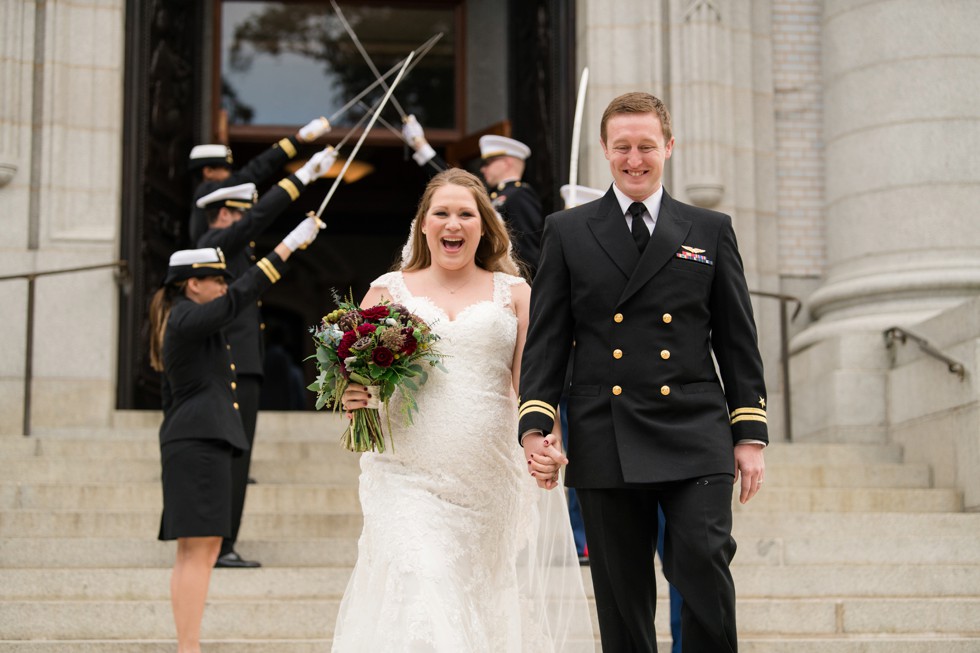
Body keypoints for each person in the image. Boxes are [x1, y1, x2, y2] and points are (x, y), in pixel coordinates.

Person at [518, 92, 768, 652]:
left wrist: (748, 433)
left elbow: (736, 338)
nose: (635, 159)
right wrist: (537, 423)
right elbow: (549, 339)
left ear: (669, 148)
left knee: (704, 565)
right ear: (604, 150)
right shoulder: (568, 230)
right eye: (623, 147)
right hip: (605, 431)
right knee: (621, 595)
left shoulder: (709, 228)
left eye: (647, 146)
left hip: (695, 428)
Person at [333, 168, 593, 652]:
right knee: (422, 580)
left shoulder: (513, 294)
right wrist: (353, 398)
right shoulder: (388, 291)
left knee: (474, 603)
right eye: (442, 213)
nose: (453, 224)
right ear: (424, 225)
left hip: (487, 481)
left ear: (484, 225)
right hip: (404, 474)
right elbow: (356, 381)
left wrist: (544, 442)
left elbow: (531, 386)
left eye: (465, 214)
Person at [148, 217, 321, 653]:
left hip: (197, 441)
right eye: (215, 279)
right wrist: (285, 249)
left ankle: (190, 643)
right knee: (196, 553)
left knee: (202, 552)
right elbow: (238, 299)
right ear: (191, 285)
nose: (225, 286)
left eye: (226, 279)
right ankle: (189, 646)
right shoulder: (188, 318)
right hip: (199, 444)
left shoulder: (188, 319)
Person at [196, 147, 337, 568]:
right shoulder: (214, 244)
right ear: (223, 215)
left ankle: (223, 542)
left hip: (242, 366)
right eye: (238, 215)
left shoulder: (228, 250)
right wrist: (304, 176)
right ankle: (219, 544)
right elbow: (261, 217)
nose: (244, 222)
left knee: (239, 457)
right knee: (232, 458)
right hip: (232, 367)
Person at [187, 116, 332, 242]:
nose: (230, 174)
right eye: (225, 169)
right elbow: (255, 170)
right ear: (208, 171)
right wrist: (297, 140)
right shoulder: (206, 190)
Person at [479, 135, 544, 278]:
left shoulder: (520, 194)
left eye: (488, 163)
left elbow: (527, 247)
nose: (483, 169)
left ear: (506, 163)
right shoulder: (497, 195)